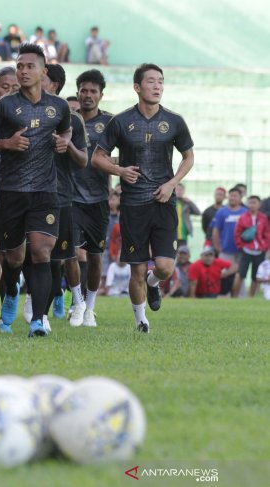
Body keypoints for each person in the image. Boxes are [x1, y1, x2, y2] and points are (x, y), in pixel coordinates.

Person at [0, 44, 72, 337]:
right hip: (11, 192)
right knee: (13, 259)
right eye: (20, 66)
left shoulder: (59, 106)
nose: (24, 71)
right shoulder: (4, 105)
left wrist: (64, 142)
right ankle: (12, 291)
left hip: (45, 191)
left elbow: (65, 129)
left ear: (44, 71)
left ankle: (38, 320)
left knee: (41, 252)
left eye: (30, 66)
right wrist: (6, 144)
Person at [92, 63, 194, 333]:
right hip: (133, 205)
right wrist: (119, 170)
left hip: (163, 203)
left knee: (164, 268)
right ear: (137, 87)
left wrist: (173, 183)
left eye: (160, 81)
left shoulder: (174, 121)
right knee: (135, 270)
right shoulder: (121, 121)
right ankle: (141, 321)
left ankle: (153, 283)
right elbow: (97, 157)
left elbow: (188, 157)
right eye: (151, 81)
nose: (157, 86)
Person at [27, 64, 87, 329]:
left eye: (43, 77)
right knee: (24, 254)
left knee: (57, 257)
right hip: (25, 192)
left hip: (58, 195)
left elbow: (83, 159)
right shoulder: (23, 111)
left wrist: (67, 145)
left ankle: (55, 308)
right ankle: (34, 303)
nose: (36, 79)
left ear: (55, 85)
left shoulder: (72, 119)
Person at [72, 69, 114, 322]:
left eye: (93, 91)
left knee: (96, 255)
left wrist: (112, 165)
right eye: (84, 90)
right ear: (78, 93)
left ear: (101, 95)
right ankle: (76, 303)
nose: (88, 95)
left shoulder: (110, 122)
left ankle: (89, 308)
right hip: (69, 196)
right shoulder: (67, 120)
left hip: (98, 198)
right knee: (72, 253)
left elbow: (123, 155)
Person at [211, 187, 247, 296]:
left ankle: (240, 297)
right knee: (224, 274)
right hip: (225, 250)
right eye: (231, 195)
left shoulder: (245, 212)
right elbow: (216, 230)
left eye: (235, 196)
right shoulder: (221, 212)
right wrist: (217, 247)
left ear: (240, 198)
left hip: (242, 251)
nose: (232, 198)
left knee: (240, 274)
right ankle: (223, 295)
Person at [234, 195, 270, 297]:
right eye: (250, 202)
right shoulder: (243, 217)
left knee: (255, 275)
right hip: (246, 250)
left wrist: (264, 246)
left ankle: (251, 297)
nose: (252, 205)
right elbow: (237, 233)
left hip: (259, 250)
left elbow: (267, 233)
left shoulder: (263, 218)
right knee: (240, 274)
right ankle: (235, 296)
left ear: (259, 205)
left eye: (254, 202)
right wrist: (241, 246)